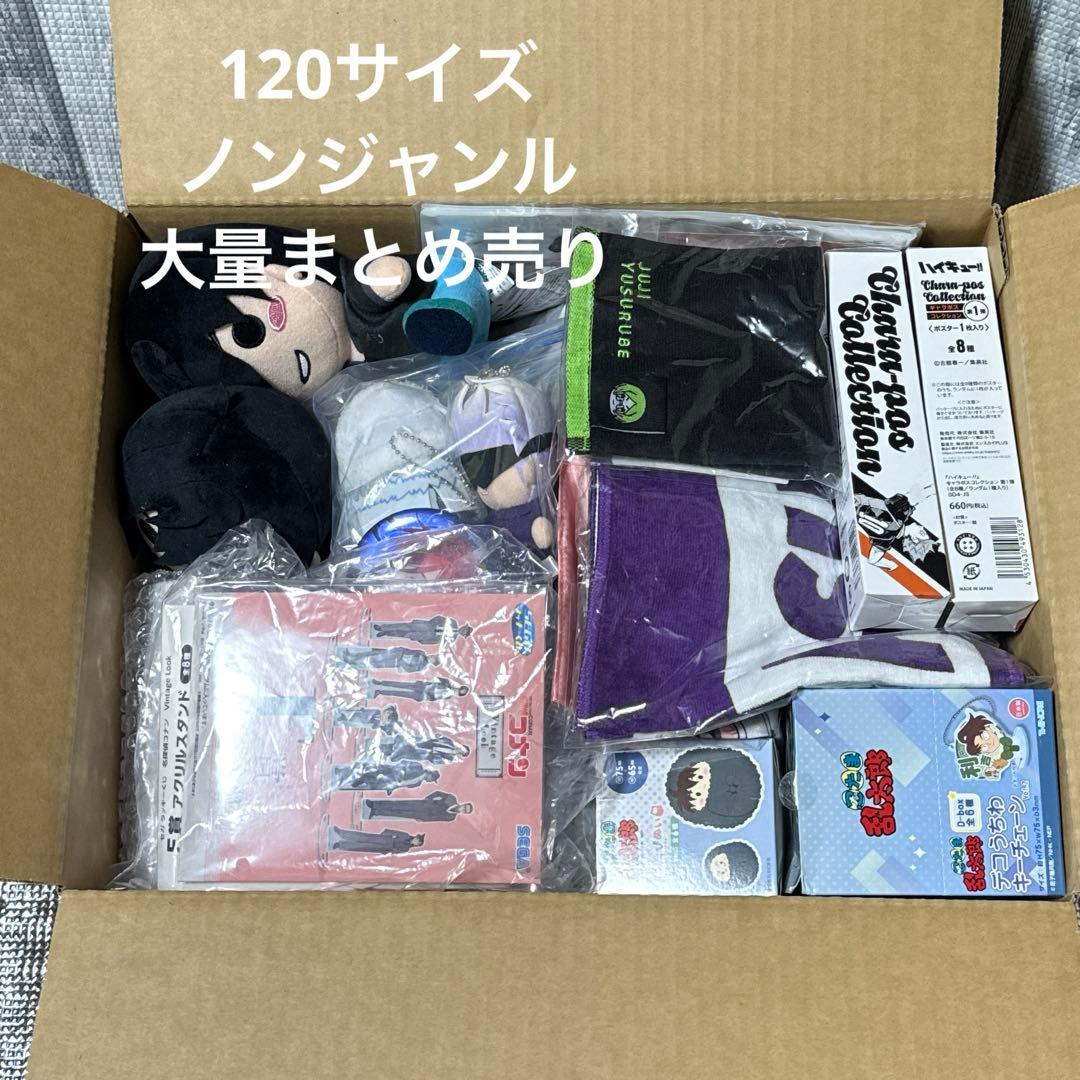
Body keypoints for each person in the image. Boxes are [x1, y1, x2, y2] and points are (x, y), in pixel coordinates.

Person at [331, 758, 439, 793]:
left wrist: (392, 788)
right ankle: (341, 771)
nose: (430, 781)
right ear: (429, 773)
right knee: (366, 770)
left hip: (388, 782)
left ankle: (343, 785)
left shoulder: (417, 784)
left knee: (368, 783)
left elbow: (403, 785)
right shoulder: (418, 766)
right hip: (389, 771)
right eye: (432, 779)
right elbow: (403, 762)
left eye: (432, 780)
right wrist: (399, 774)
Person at [364, 791, 474, 823]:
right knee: (398, 805)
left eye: (465, 811)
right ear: (463, 804)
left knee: (399, 813)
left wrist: (424, 820)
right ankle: (374, 804)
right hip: (422, 804)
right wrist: (428, 799)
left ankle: (376, 812)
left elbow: (436, 819)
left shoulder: (451, 818)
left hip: (423, 815)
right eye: (465, 807)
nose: (463, 809)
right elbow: (438, 793)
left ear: (464, 813)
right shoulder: (452, 798)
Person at [370, 616, 473, 645]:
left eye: (465, 633)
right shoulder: (453, 622)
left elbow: (437, 642)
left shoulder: (452, 639)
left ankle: (386, 633)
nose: (463, 631)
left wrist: (425, 642)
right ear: (464, 626)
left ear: (463, 635)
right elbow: (439, 618)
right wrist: (431, 623)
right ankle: (382, 627)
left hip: (428, 636)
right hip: (427, 626)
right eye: (465, 629)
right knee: (404, 626)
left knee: (405, 635)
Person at [336, 644, 435, 673]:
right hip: (394, 652)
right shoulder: (422, 653)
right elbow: (409, 650)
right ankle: (352, 655)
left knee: (372, 662)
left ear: (433, 663)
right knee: (372, 652)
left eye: (434, 659)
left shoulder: (422, 666)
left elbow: (408, 669)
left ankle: (351, 663)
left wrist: (401, 661)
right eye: (433, 656)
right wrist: (400, 649)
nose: (431, 657)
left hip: (393, 662)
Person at [326, 826, 425, 854]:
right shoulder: (406, 835)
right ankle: (341, 833)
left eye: (418, 843)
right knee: (363, 837)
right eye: (417, 839)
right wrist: (385, 833)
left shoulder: (406, 849)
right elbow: (395, 832)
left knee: (362, 847)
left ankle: (340, 845)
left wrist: (386, 851)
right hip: (384, 839)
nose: (416, 841)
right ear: (416, 837)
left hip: (384, 847)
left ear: (417, 845)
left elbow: (395, 852)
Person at [371, 677, 470, 702]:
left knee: (400, 693)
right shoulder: (447, 683)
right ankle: (380, 682)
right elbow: (435, 678)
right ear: (458, 687)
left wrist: (427, 698)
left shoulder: (448, 698)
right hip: (422, 687)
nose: (456, 692)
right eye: (458, 690)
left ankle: (380, 692)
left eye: (458, 693)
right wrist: (429, 684)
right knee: (400, 685)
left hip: (422, 696)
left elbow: (434, 699)